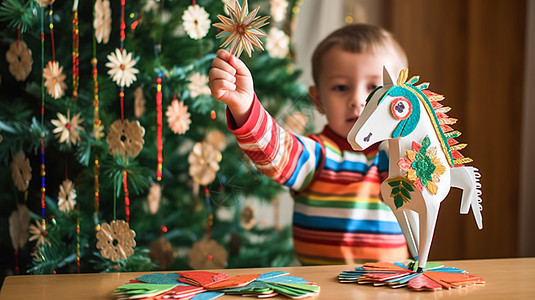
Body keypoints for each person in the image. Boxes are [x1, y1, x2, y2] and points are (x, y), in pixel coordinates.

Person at [209, 24, 409, 265]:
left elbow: (430, 188)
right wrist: (245, 107)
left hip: (389, 282)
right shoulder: (317, 153)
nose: (357, 100)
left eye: (374, 89)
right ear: (318, 99)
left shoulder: (396, 156)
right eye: (341, 88)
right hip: (319, 283)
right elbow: (276, 150)